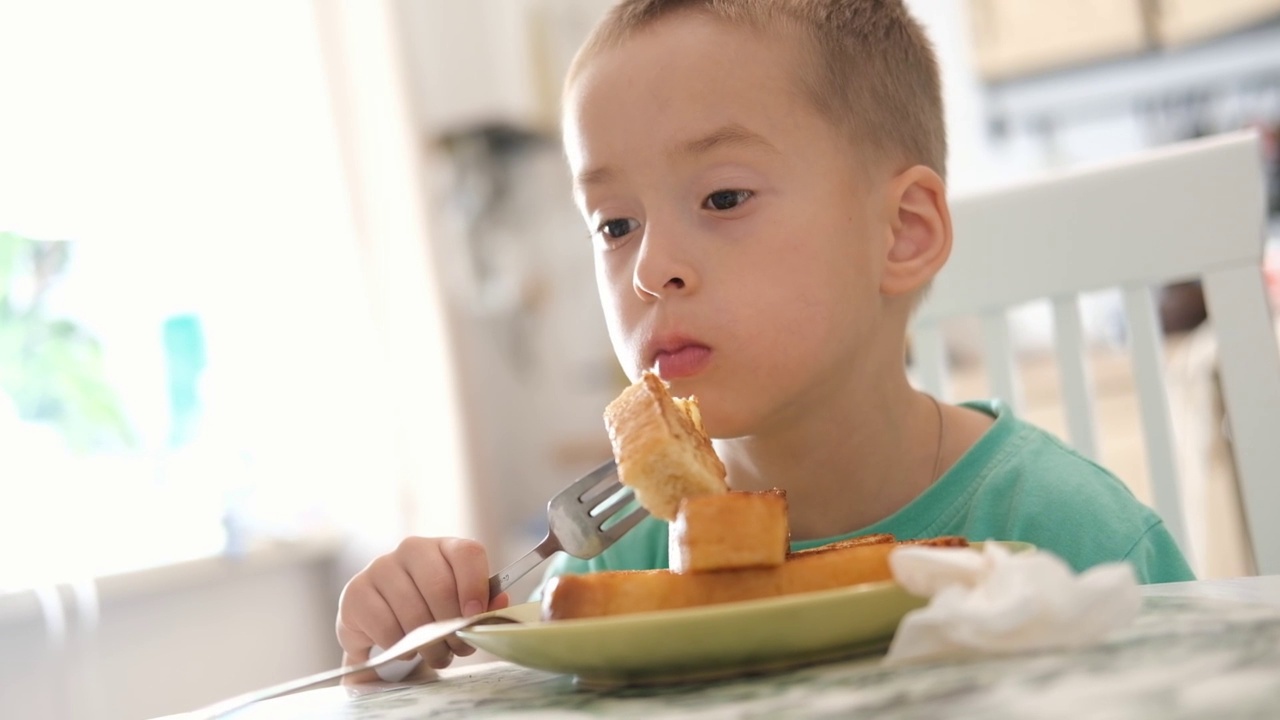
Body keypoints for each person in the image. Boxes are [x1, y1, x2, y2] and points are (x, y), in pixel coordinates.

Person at [335, 0, 1194, 674]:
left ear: (901, 233)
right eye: (614, 224)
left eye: (722, 199)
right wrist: (417, 665)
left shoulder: (1073, 541)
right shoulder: (611, 577)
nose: (650, 269)